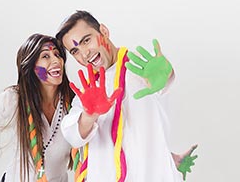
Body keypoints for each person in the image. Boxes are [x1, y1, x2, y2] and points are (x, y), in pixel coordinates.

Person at [56, 10, 197, 181]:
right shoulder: (87, 94)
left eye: (87, 40)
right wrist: (90, 115)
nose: (85, 53)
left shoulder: (140, 68)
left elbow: (162, 83)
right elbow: (72, 135)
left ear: (104, 31)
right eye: (75, 51)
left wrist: (165, 75)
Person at [0, 34, 75, 182]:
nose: (56, 60)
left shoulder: (74, 104)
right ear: (31, 66)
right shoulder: (15, 98)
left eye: (57, 54)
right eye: (46, 56)